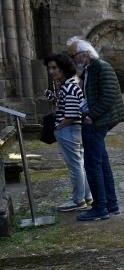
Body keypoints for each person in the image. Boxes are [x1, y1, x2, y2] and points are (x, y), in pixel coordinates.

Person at [66, 37, 124, 222]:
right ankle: (110, 204)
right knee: (102, 163)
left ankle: (100, 208)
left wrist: (92, 115)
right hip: (96, 121)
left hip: (97, 122)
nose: (73, 59)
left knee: (93, 165)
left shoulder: (101, 67)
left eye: (74, 55)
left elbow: (109, 96)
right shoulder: (89, 69)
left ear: (85, 54)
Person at [44, 53, 92, 212]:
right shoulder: (67, 85)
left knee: (75, 166)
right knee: (79, 164)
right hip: (70, 130)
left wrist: (58, 127)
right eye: (49, 68)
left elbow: (71, 115)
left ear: (63, 68)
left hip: (69, 130)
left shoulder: (69, 86)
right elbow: (65, 106)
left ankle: (78, 200)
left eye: (54, 68)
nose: (51, 71)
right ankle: (86, 196)